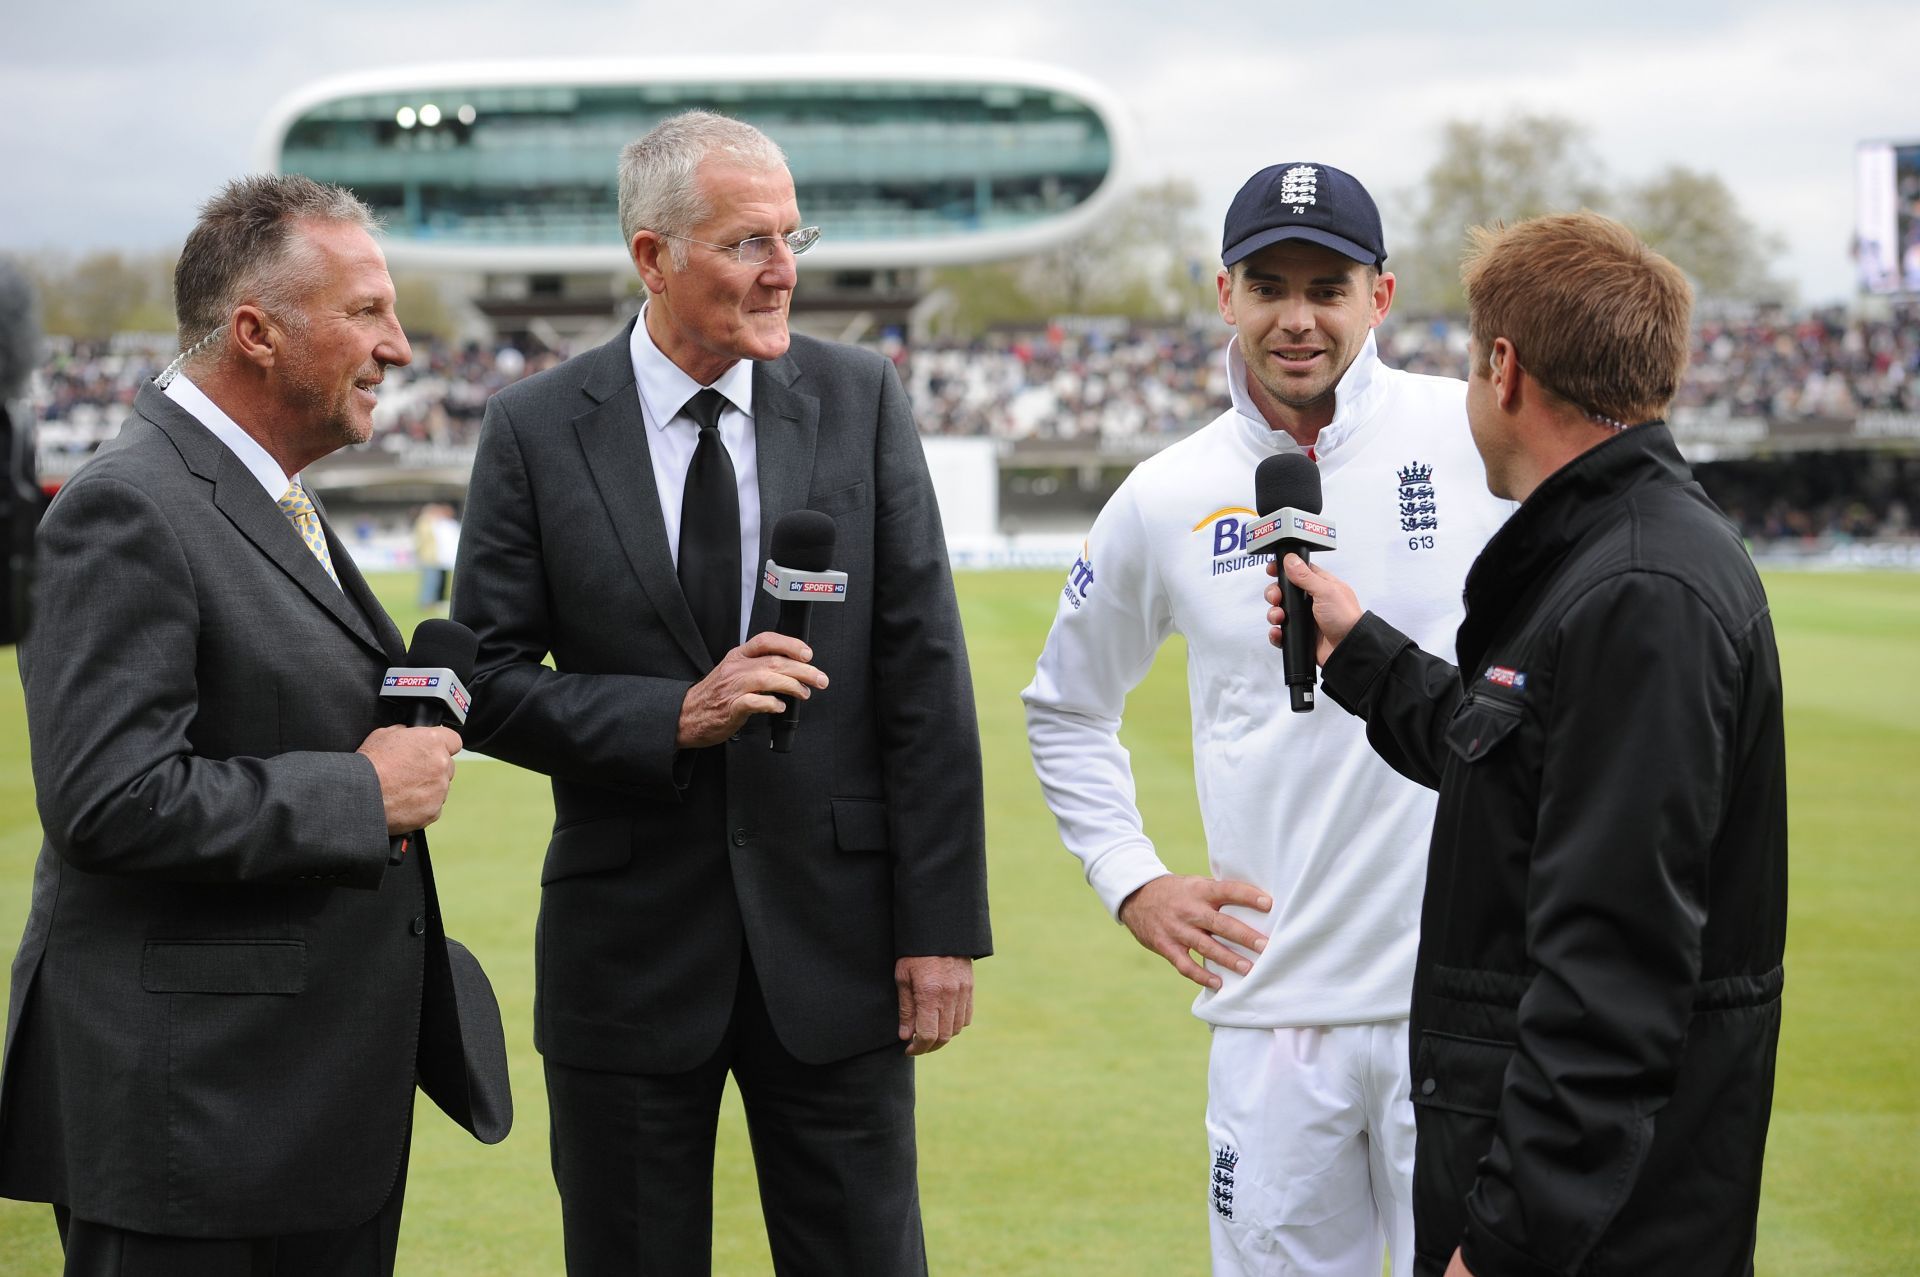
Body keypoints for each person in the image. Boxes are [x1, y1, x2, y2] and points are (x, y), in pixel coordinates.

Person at [451, 110, 990, 1277]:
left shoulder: (861, 398)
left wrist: (940, 929)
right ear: (653, 257)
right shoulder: (535, 429)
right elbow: (482, 682)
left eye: (793, 234)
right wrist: (670, 715)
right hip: (627, 957)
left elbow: (923, 671)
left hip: (839, 952)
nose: (786, 268)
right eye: (750, 241)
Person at [0, 174, 509, 1277]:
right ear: (255, 333)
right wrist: (360, 793)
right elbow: (108, 797)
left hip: (295, 1110)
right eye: (368, 311)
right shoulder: (126, 502)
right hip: (196, 1124)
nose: (402, 348)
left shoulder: (266, 492)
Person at [1267, 211, 1787, 1277]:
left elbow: (1611, 972)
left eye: (1469, 365)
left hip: (1590, 1231)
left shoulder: (1641, 587)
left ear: (1504, 368)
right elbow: (1506, 760)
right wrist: (1359, 649)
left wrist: (1502, 1242)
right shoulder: (1608, 554)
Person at [1021, 163, 1511, 1277]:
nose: (1297, 318)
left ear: (1379, 297)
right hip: (1272, 1011)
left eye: (1327, 287)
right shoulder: (1163, 492)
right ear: (1225, 293)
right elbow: (1066, 705)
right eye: (1269, 284)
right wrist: (1130, 875)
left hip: (1466, 1005)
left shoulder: (1478, 435)